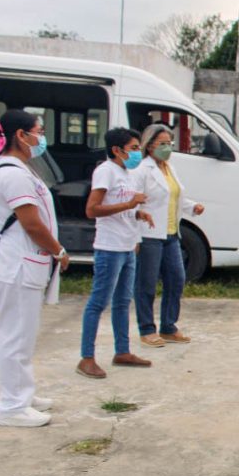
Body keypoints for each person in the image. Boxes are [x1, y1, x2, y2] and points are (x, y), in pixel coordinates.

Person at [0, 111, 70, 427]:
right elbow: (31, 223)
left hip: (23, 263)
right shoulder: (14, 174)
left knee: (23, 334)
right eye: (39, 130)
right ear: (21, 135)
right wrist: (58, 251)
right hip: (18, 264)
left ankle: (22, 393)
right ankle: (12, 406)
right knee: (14, 336)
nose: (42, 136)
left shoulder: (19, 169)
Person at [77, 128, 154, 379]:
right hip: (109, 248)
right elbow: (93, 209)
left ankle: (122, 351)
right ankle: (86, 358)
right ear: (116, 150)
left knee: (122, 302)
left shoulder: (127, 173)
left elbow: (120, 208)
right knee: (98, 302)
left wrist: (136, 213)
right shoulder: (105, 172)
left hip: (127, 246)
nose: (137, 153)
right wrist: (130, 204)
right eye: (133, 148)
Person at [130, 124, 205, 349]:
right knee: (147, 284)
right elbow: (131, 202)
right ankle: (146, 329)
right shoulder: (142, 170)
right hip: (149, 234)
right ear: (150, 145)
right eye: (162, 143)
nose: (167, 148)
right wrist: (134, 234)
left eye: (169, 143)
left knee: (176, 279)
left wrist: (193, 207)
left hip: (171, 233)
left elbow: (174, 197)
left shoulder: (168, 168)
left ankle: (168, 326)